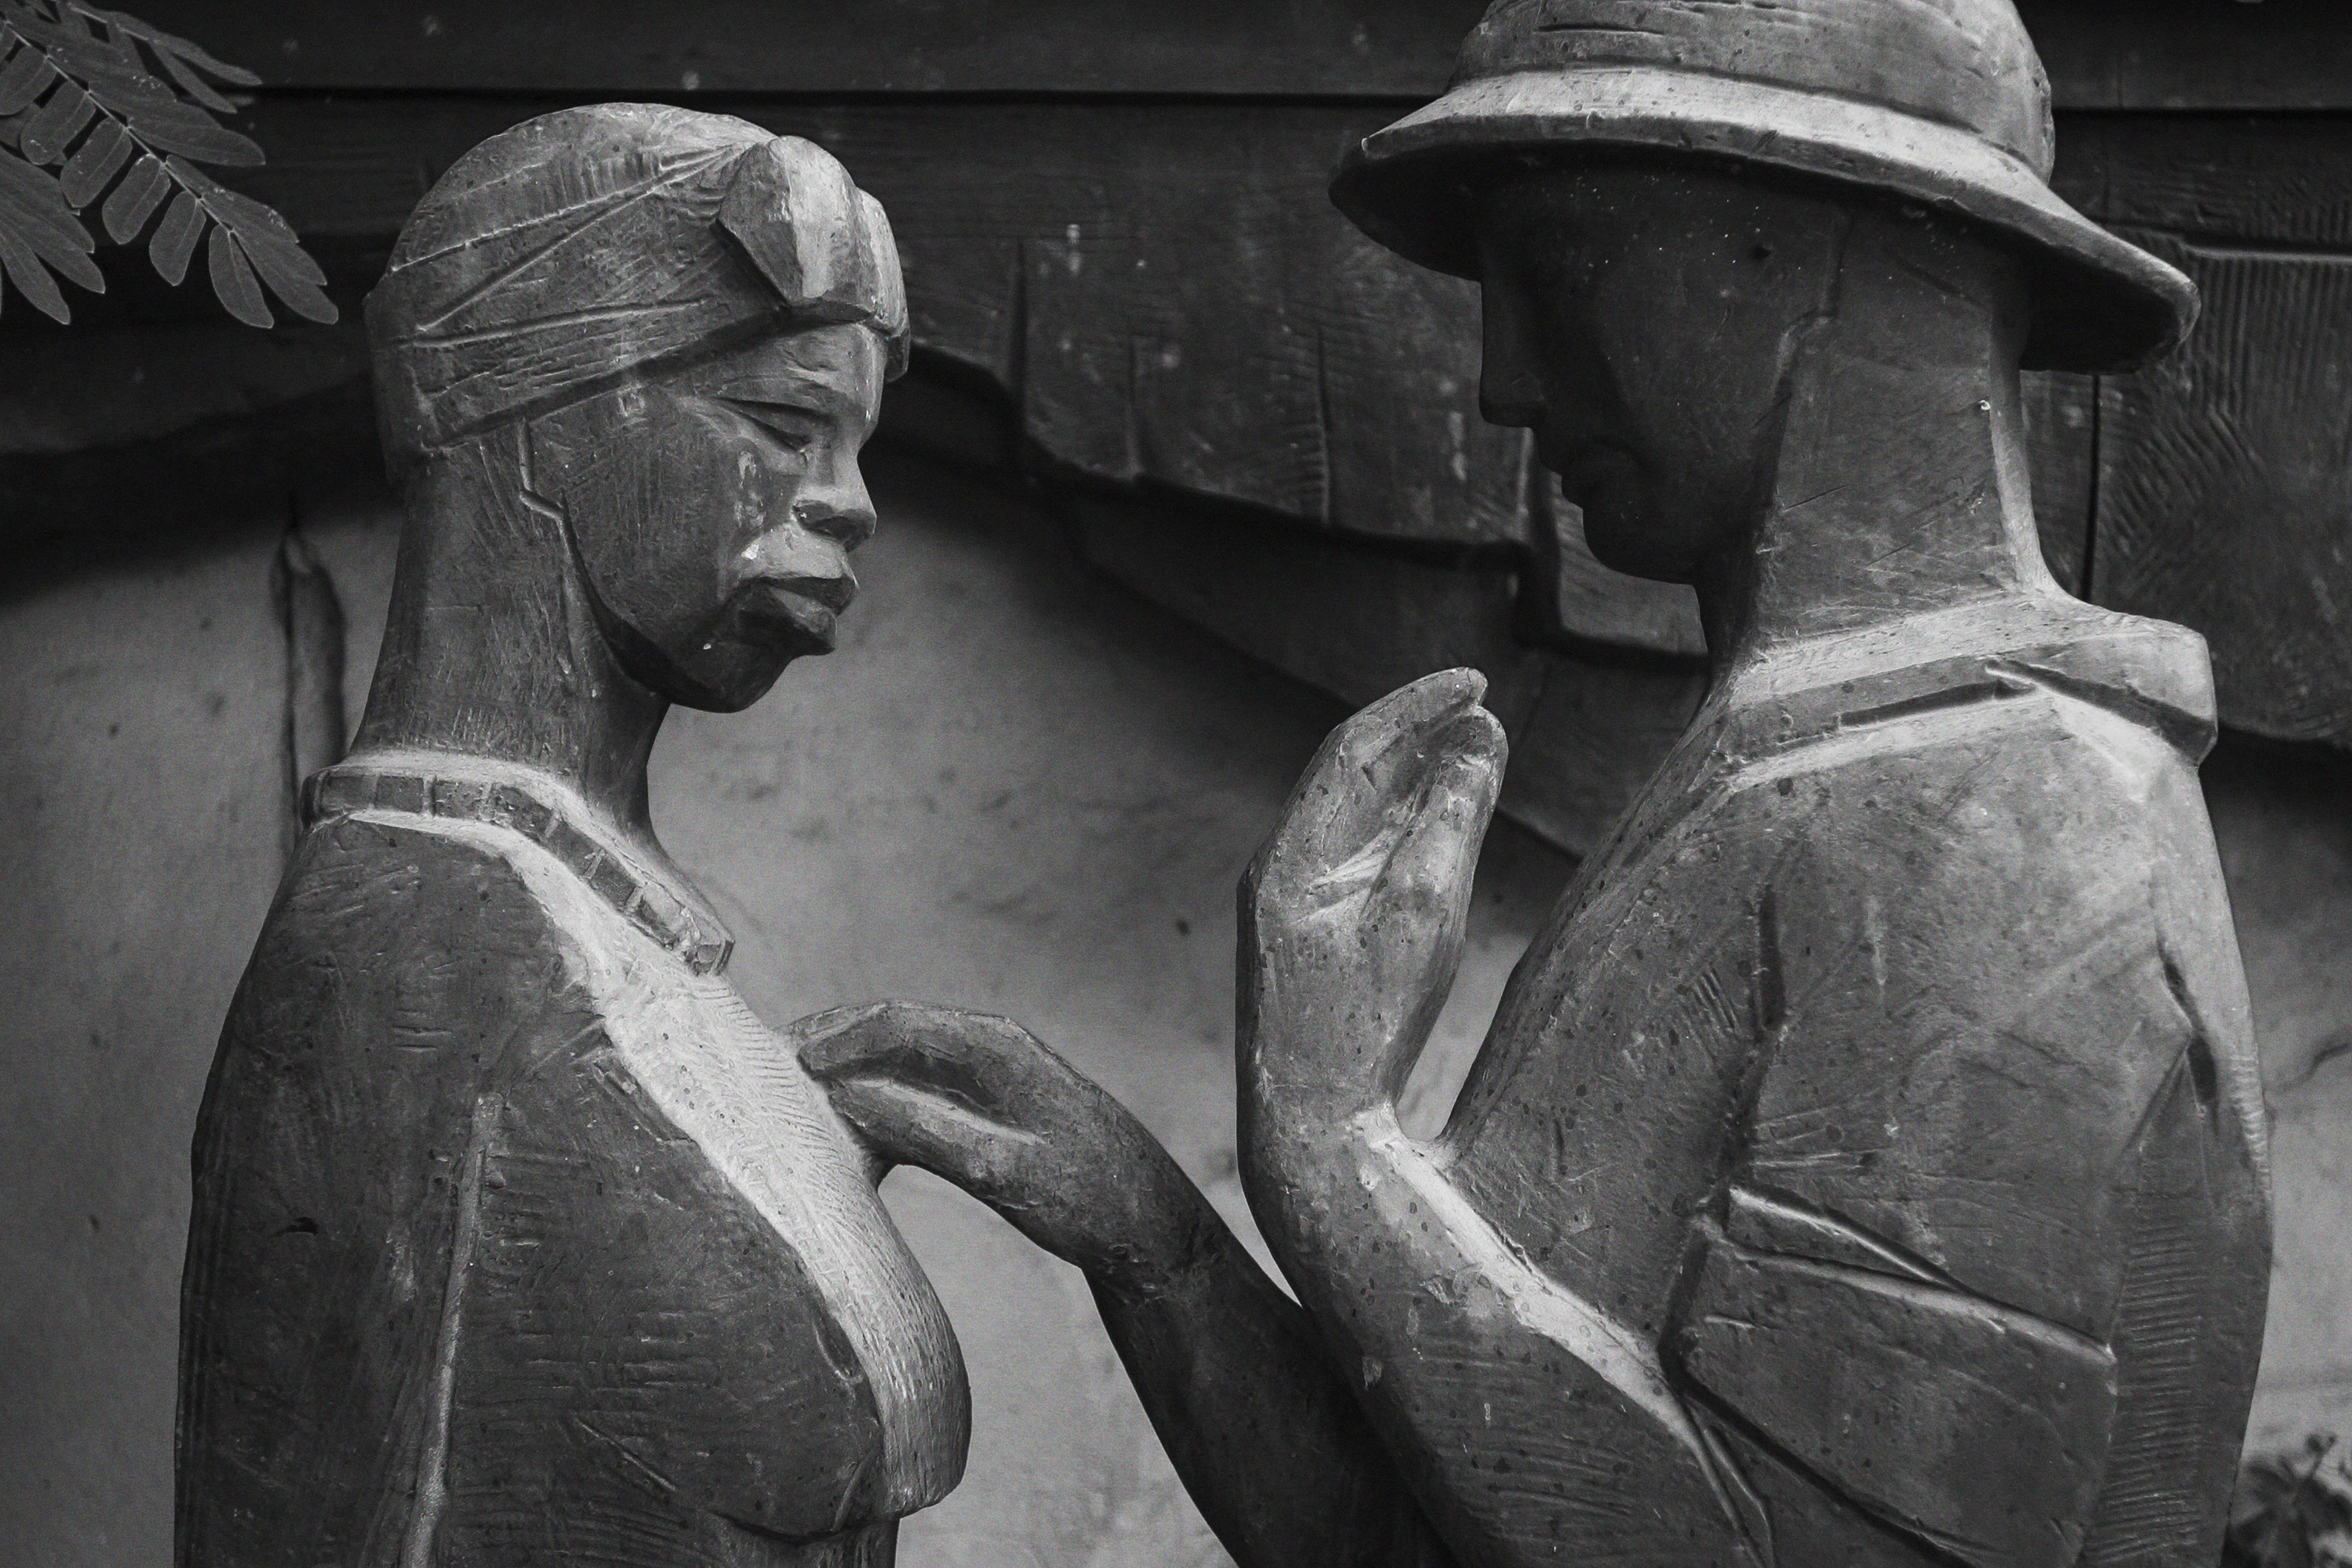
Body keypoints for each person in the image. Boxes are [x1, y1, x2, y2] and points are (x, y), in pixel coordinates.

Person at [805, 4, 2272, 1567]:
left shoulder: (1992, 827)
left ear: (1798, 263)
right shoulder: (1814, 774)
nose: (1503, 378)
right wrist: (1153, 1235)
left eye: (1560, 276)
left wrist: (1335, 1149)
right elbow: (1422, 1534)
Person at [179, 106, 965, 1568]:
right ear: (543, 426)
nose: (851, 503)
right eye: (783, 424)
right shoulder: (408, 934)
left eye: (853, 443)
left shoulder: (615, 925)